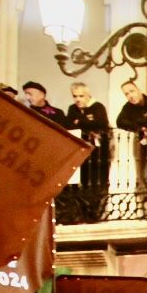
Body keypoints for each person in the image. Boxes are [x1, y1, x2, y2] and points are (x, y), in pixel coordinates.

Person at [64, 80, 111, 222]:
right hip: (81, 153)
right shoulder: (72, 108)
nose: (77, 99)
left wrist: (80, 121)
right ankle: (84, 214)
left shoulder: (98, 107)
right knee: (83, 182)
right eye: (75, 96)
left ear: (88, 95)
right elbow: (68, 124)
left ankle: (96, 214)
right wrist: (85, 122)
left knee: (97, 183)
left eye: (81, 96)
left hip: (98, 154)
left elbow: (101, 123)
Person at [116, 78, 147, 214]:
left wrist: (138, 124)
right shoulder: (127, 107)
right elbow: (120, 121)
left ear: (139, 90)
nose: (130, 96)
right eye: (126, 94)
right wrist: (141, 126)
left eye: (132, 91)